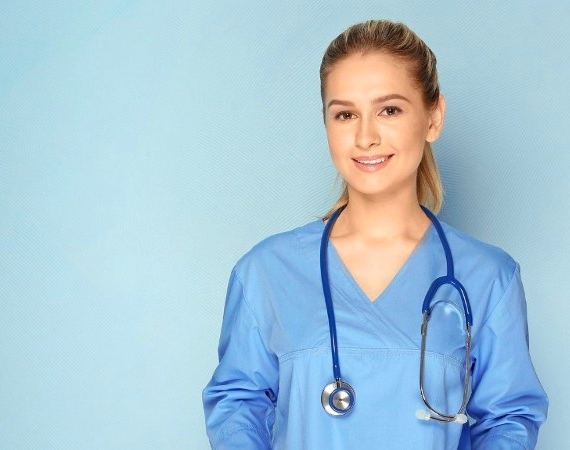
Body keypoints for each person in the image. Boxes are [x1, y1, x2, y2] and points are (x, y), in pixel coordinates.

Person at [202, 19, 548, 449]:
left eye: (389, 110)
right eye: (345, 114)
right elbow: (237, 405)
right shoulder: (266, 274)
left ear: (434, 117)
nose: (366, 136)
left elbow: (507, 421)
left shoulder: (488, 279)